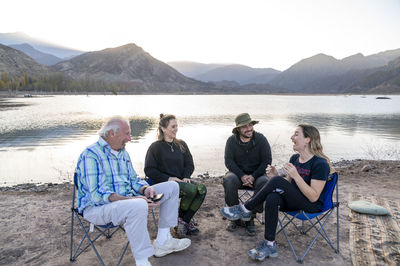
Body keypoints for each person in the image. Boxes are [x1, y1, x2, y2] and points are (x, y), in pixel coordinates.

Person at [75, 116, 191, 266]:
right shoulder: (91, 155)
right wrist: (133, 200)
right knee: (139, 205)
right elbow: (97, 195)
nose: (130, 138)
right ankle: (142, 262)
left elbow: (133, 180)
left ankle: (163, 240)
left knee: (172, 187)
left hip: (129, 201)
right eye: (127, 134)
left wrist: (145, 189)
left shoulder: (122, 152)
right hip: (97, 209)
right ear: (111, 133)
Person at [221, 124, 335, 262]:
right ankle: (269, 244)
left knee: (277, 184)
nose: (291, 137)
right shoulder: (294, 159)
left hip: (311, 205)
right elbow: (286, 184)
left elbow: (313, 197)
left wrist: (295, 176)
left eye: (296, 134)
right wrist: (275, 177)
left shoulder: (320, 164)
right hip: (294, 201)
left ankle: (245, 208)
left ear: (307, 139)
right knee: (272, 197)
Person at [145, 114, 207, 237]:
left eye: (176, 126)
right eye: (173, 126)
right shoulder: (155, 147)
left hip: (182, 182)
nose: (176, 129)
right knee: (191, 190)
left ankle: (183, 222)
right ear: (163, 128)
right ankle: (182, 223)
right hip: (163, 184)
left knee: (202, 189)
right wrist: (169, 178)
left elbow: (189, 164)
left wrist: (186, 176)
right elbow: (149, 170)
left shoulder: (181, 144)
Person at [223, 113, 272, 236]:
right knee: (229, 180)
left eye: (250, 125)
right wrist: (242, 175)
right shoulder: (231, 141)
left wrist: (253, 176)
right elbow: (229, 161)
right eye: (244, 126)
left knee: (265, 182)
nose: (249, 128)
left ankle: (250, 217)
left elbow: (267, 161)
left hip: (258, 175)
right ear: (238, 129)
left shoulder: (261, 139)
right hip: (237, 175)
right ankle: (234, 216)